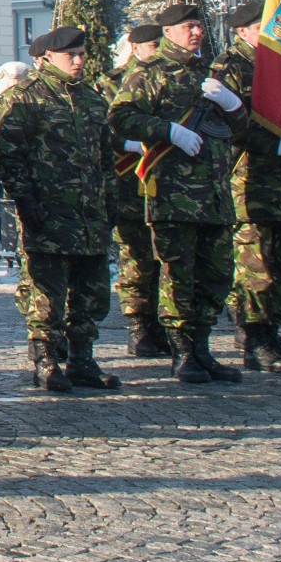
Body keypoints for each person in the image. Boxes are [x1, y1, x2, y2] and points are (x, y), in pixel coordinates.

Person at [110, 3, 245, 384]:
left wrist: (232, 105)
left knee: (216, 274)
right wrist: (169, 130)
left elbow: (240, 129)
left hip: (216, 195)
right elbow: (120, 117)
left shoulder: (212, 73)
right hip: (174, 194)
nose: (196, 32)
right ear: (168, 32)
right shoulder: (149, 73)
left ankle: (202, 347)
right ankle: (182, 351)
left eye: (199, 26)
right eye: (188, 27)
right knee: (178, 274)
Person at [0, 25, 122, 392]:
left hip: (89, 215)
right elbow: (10, 157)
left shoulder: (92, 99)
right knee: (45, 292)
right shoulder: (27, 98)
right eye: (72, 55)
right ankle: (46, 359)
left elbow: (105, 157)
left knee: (91, 290)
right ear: (47, 58)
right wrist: (25, 201)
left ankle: (83, 358)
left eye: (82, 54)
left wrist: (110, 199)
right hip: (48, 213)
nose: (79, 61)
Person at [212, 0, 281, 375]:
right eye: (264, 27)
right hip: (249, 179)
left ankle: (272, 330)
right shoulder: (230, 67)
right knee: (257, 265)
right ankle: (253, 338)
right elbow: (228, 126)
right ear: (243, 31)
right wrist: (273, 143)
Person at [107, 22, 165, 358]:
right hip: (131, 182)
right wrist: (131, 143)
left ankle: (160, 323)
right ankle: (138, 324)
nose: (158, 51)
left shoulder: (171, 81)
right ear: (136, 48)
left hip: (169, 184)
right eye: (153, 46)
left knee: (165, 257)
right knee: (137, 257)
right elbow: (100, 129)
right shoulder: (113, 83)